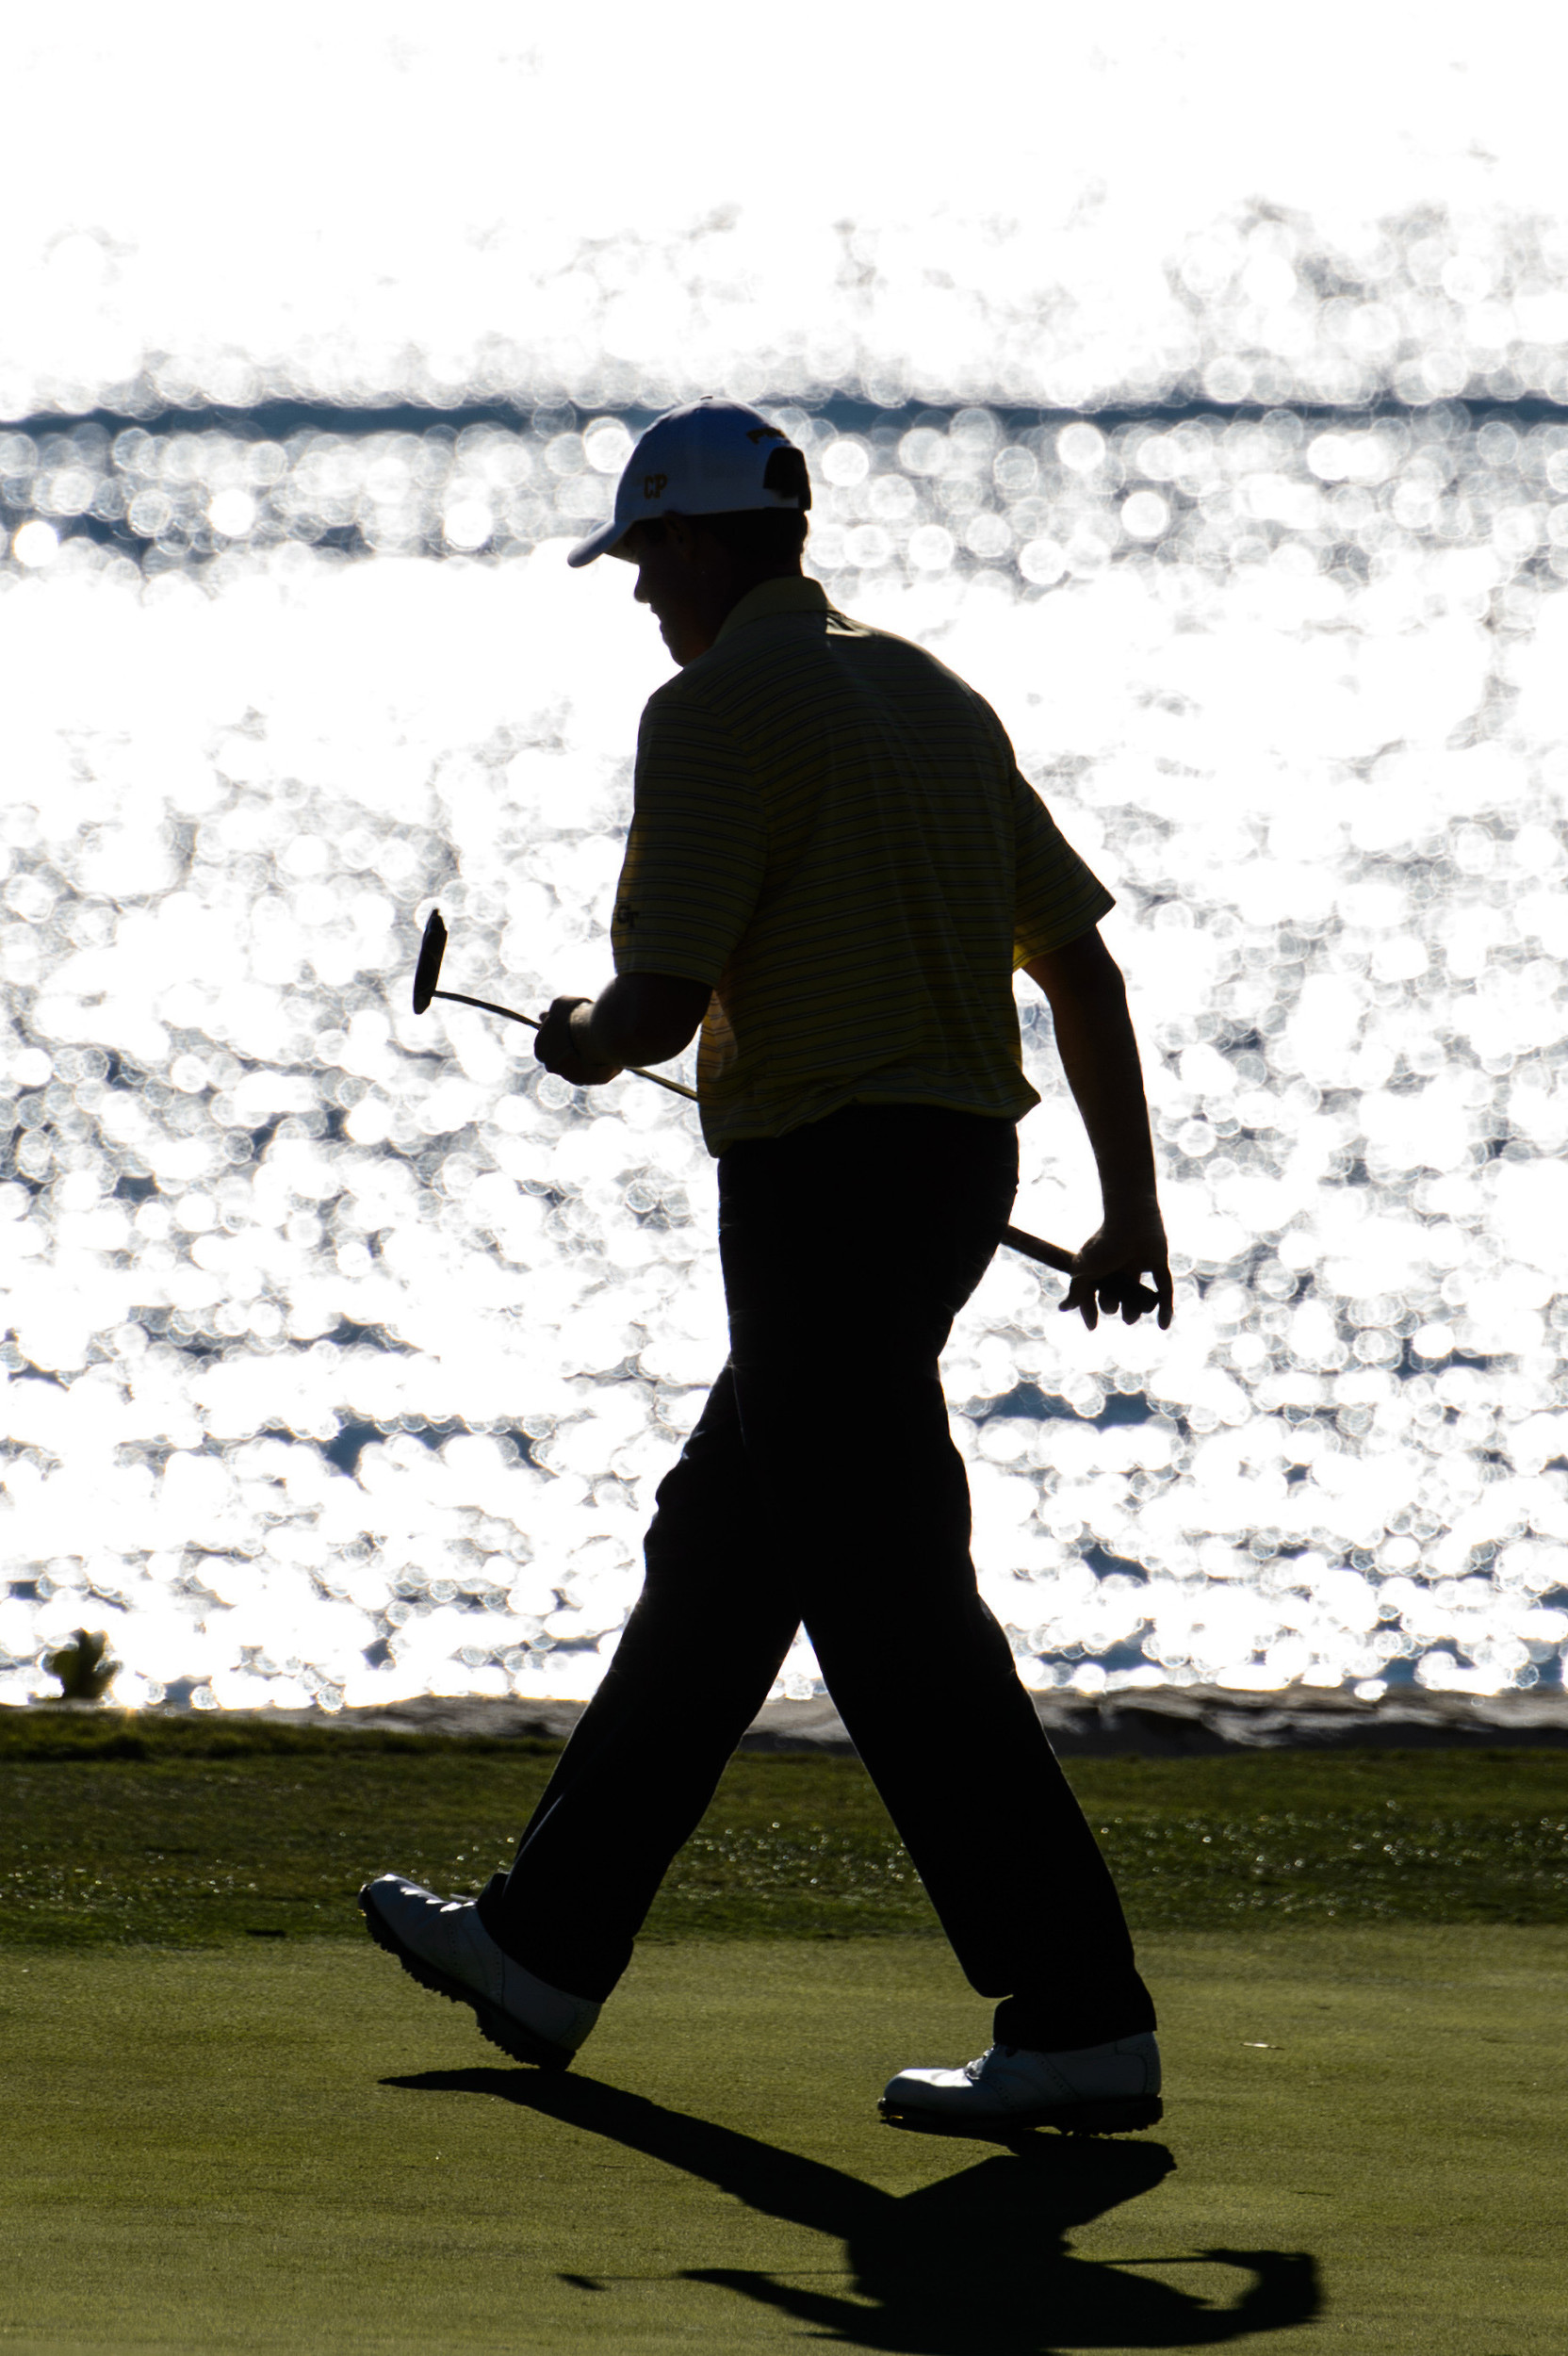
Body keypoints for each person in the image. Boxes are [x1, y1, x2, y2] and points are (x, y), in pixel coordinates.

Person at [361, 398, 1175, 2135]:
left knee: (890, 1605)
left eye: (652, 555)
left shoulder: (714, 707)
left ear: (716, 546)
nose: (643, 591)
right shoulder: (935, 696)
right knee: (728, 1552)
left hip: (826, 1184)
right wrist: (1131, 1210)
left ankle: (1083, 2015)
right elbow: (1080, 974)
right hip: (955, 1170)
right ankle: (548, 1944)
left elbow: (652, 1006)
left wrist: (581, 1038)